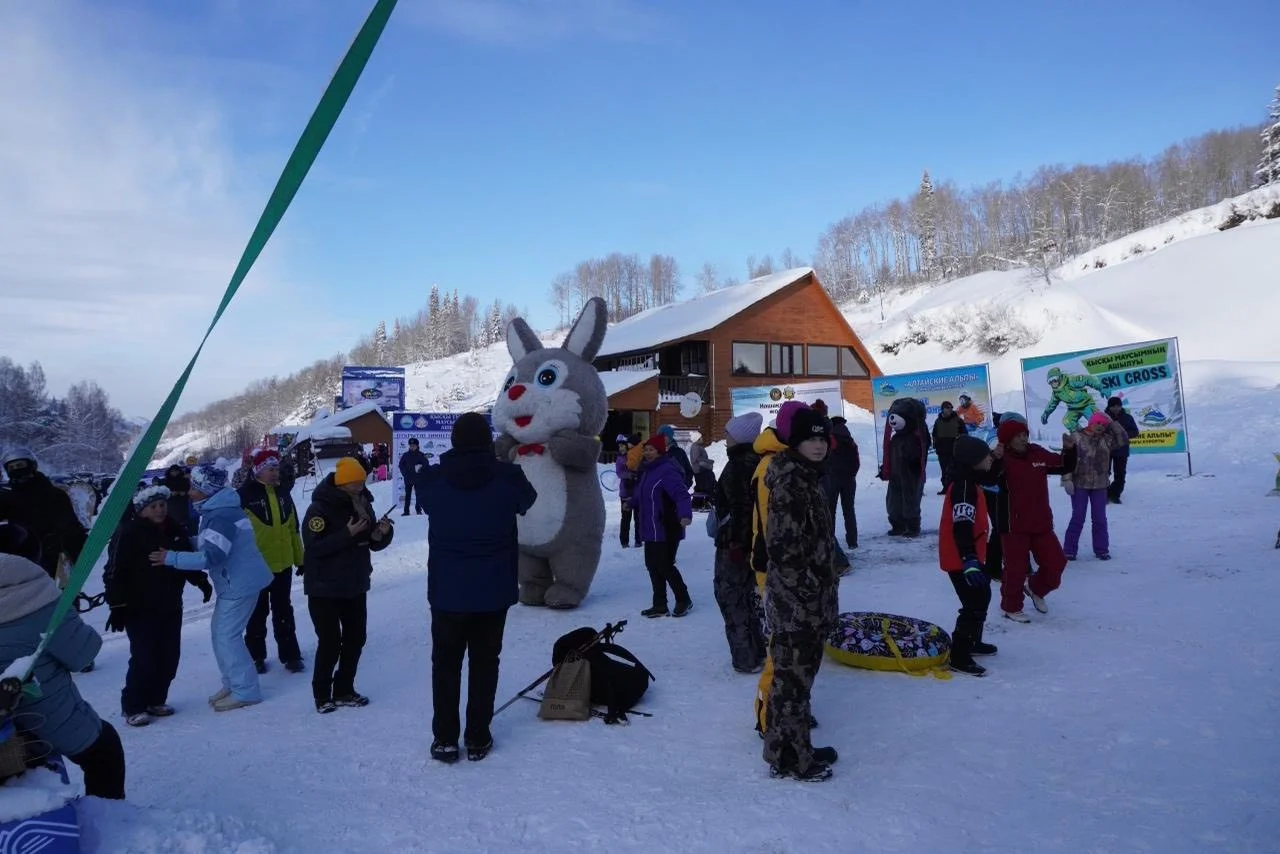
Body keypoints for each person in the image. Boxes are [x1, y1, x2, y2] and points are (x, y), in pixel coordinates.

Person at [420, 413, 537, 763]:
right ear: (487, 441)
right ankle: (477, 736)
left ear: (454, 441)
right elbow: (527, 502)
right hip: (493, 590)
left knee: (445, 665)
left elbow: (426, 501)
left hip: (447, 591)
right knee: (485, 663)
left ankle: (444, 739)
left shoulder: (433, 478)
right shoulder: (508, 477)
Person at [0, 522, 126, 799]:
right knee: (105, 750)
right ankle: (106, 815)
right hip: (39, 719)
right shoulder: (40, 597)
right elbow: (83, 654)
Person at [150, 464, 273, 712]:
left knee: (227, 637)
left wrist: (171, 558)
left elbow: (212, 556)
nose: (189, 492)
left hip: (239, 584)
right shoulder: (218, 509)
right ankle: (233, 683)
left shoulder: (221, 515)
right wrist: (187, 542)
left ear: (207, 490)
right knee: (220, 634)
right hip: (236, 582)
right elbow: (214, 542)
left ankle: (246, 690)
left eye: (194, 487)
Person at [761, 408, 840, 782]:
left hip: (807, 600)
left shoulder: (807, 478)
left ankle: (783, 749)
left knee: (792, 681)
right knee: (794, 685)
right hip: (798, 604)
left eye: (822, 438)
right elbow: (784, 550)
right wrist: (810, 593)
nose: (818, 445)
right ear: (795, 442)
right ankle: (796, 758)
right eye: (811, 438)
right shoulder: (792, 484)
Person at [103, 486, 212, 726]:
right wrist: (117, 604)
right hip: (139, 608)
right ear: (141, 510)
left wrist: (200, 581)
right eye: (153, 506)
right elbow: (114, 571)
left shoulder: (175, 529)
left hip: (170, 604)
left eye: (162, 505)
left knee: (169, 656)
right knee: (144, 657)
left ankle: (155, 699)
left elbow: (184, 559)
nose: (160, 510)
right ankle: (133, 706)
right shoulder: (129, 532)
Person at [301, 458, 394, 713]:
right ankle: (322, 695)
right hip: (325, 586)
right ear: (342, 484)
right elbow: (314, 547)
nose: (361, 486)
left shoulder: (363, 502)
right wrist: (346, 534)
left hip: (355, 582)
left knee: (356, 638)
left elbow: (370, 542)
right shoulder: (319, 508)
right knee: (330, 642)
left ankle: (344, 690)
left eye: (362, 481)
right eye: (355, 483)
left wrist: (381, 534)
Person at [990, 419, 1076, 623]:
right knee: (1016, 569)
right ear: (1007, 440)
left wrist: (1069, 450)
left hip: (1040, 522)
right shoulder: (1002, 459)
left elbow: (1063, 465)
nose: (1023, 439)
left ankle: (1036, 588)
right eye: (1018, 436)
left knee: (1056, 563)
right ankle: (1011, 607)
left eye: (1025, 434)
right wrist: (995, 458)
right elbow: (987, 478)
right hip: (1013, 525)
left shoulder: (1036, 453)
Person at [239, 449, 306, 674]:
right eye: (270, 469)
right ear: (258, 470)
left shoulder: (283, 493)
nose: (275, 473)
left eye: (276, 468)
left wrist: (300, 559)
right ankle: (256, 656)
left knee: (283, 611)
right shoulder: (244, 495)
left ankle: (291, 655)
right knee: (257, 614)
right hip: (255, 567)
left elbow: (293, 528)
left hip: (283, 564)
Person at [937, 436, 1000, 676]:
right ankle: (960, 655)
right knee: (973, 603)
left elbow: (993, 475)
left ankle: (973, 641)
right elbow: (962, 525)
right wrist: (969, 560)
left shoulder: (970, 480)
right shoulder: (964, 488)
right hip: (960, 557)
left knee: (982, 594)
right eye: (986, 456)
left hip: (969, 555)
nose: (989, 458)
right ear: (974, 460)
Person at [712, 412, 766, 673]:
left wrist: (736, 544)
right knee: (749, 597)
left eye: (728, 433)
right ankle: (758, 651)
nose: (725, 436)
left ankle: (746, 659)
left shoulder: (737, 466)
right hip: (753, 543)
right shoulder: (757, 460)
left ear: (740, 437)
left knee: (731, 596)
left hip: (734, 545)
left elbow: (742, 509)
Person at [0, 448, 88, 581]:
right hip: (21, 557)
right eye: (11, 467)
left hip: (54, 556)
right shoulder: (7, 498)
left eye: (20, 465)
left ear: (31, 466)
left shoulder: (53, 494)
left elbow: (71, 527)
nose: (16, 470)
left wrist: (78, 555)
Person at [634, 435, 693, 618]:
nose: (647, 453)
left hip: (665, 526)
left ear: (660, 451)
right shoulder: (648, 470)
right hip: (650, 527)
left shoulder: (667, 470)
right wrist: (631, 502)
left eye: (651, 450)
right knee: (652, 565)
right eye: (645, 449)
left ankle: (684, 599)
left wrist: (685, 515)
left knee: (664, 565)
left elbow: (681, 494)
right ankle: (660, 604)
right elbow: (642, 493)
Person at [1063, 412, 1129, 561]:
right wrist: (1067, 479)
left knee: (1100, 519)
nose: (1100, 426)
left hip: (1100, 485)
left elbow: (1124, 439)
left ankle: (1101, 550)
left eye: (1103, 424)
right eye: (1097, 423)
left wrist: (1112, 422)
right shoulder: (1076, 437)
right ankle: (1069, 550)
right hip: (1080, 484)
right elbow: (1066, 459)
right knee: (1078, 517)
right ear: (1091, 423)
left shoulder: (1107, 439)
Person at [878, 400, 930, 537]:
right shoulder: (896, 438)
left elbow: (921, 452)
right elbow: (890, 455)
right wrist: (885, 468)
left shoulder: (917, 437)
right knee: (893, 501)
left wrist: (915, 464)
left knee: (910, 501)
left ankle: (912, 526)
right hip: (896, 475)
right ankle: (898, 524)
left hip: (911, 475)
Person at [827, 415, 860, 549]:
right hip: (849, 480)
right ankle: (852, 542)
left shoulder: (831, 439)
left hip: (833, 479)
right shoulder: (850, 441)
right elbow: (857, 462)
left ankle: (831, 541)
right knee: (849, 511)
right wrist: (852, 475)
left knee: (831, 512)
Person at [1104, 397, 1140, 504]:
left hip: (1121, 450)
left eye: (1118, 406)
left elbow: (1135, 432)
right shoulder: (1103, 417)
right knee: (1104, 473)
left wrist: (1122, 434)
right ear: (1109, 407)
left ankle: (1115, 494)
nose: (1116, 408)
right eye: (1113, 406)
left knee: (1120, 474)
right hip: (1105, 450)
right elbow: (1096, 431)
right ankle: (1103, 494)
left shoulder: (1127, 417)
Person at [931, 400, 968, 494]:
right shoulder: (938, 421)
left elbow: (965, 434)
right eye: (947, 408)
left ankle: (957, 489)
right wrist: (936, 445)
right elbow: (934, 434)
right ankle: (946, 488)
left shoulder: (958, 420)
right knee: (944, 470)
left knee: (956, 470)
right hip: (942, 451)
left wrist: (960, 443)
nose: (950, 409)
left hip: (955, 450)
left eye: (951, 408)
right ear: (942, 409)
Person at [614, 435, 641, 548]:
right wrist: (629, 475)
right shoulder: (620, 458)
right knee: (626, 518)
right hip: (625, 492)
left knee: (638, 518)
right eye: (619, 446)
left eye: (622, 446)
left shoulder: (634, 455)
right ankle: (624, 542)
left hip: (637, 492)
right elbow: (619, 472)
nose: (620, 448)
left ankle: (639, 540)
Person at [161, 465, 199, 538]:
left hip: (184, 503)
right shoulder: (165, 481)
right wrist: (171, 493)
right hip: (171, 505)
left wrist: (184, 493)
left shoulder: (185, 480)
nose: (174, 473)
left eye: (176, 471)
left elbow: (191, 490)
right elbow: (162, 492)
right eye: (172, 471)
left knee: (186, 522)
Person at [655, 425, 695, 489]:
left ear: (670, 437)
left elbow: (689, 472)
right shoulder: (653, 452)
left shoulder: (679, 452)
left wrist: (684, 486)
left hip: (676, 490)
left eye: (664, 435)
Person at [399, 438, 428, 516]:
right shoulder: (405, 455)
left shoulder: (421, 455)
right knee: (407, 495)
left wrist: (421, 469)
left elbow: (426, 464)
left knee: (418, 495)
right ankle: (406, 511)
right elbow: (401, 465)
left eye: (414, 445)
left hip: (418, 479)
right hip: (408, 479)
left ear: (417, 446)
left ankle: (418, 509)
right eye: (411, 445)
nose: (412, 447)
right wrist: (405, 474)